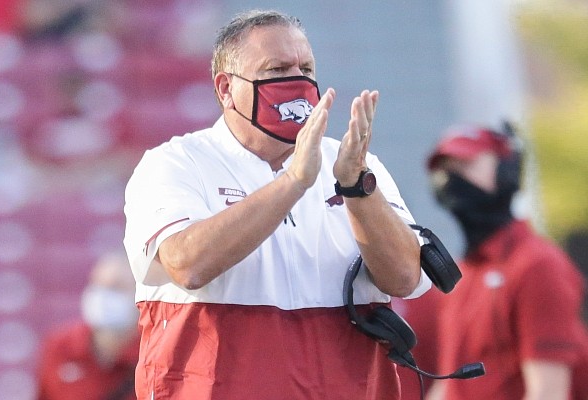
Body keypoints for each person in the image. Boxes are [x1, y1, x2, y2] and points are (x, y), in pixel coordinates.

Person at [123, 9, 432, 400]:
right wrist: (293, 182)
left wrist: (357, 188)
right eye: (276, 70)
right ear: (225, 89)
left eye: (306, 68)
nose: (297, 81)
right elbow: (187, 265)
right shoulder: (175, 163)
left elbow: (405, 278)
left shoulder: (353, 164)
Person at [424, 124, 588, 400]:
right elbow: (453, 384)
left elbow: (548, 393)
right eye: (446, 171)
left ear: (507, 171)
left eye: (465, 165)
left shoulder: (537, 265)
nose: (451, 181)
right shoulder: (463, 275)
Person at [37, 251, 140, 400]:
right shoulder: (60, 346)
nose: (103, 295)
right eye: (97, 284)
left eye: (116, 287)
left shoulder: (153, 351)